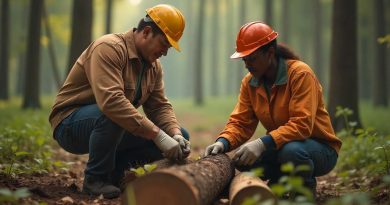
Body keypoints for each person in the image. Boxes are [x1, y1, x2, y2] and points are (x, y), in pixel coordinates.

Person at [49, 4, 190, 199]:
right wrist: (157, 135)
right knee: (114, 115)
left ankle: (118, 175)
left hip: (111, 125)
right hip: (70, 124)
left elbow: (159, 106)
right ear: (147, 32)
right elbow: (112, 102)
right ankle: (95, 180)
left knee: (181, 134)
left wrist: (173, 134)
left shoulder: (154, 67)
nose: (165, 52)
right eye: (164, 44)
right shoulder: (109, 48)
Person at [204, 21, 342, 198]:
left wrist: (262, 143)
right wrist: (223, 142)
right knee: (244, 160)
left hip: (320, 149)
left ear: (269, 53)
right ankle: (278, 184)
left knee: (292, 151)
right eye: (244, 60)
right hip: (282, 146)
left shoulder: (300, 74)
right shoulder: (249, 82)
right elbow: (241, 122)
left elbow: (302, 124)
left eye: (252, 58)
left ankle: (304, 195)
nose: (247, 65)